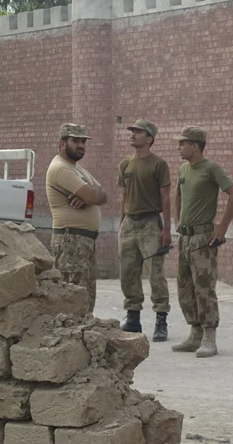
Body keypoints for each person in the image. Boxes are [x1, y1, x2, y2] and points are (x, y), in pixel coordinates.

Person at [171, 125, 233, 358]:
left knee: (204, 287)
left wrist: (222, 227)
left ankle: (209, 335)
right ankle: (195, 333)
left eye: (183, 143)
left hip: (203, 237)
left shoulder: (211, 168)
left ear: (195, 146)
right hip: (185, 237)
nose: (179, 147)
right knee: (184, 287)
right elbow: (178, 194)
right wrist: (176, 220)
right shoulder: (183, 169)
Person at [118, 119, 173, 341]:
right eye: (132, 132)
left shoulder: (158, 164)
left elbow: (166, 196)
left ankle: (161, 320)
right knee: (127, 272)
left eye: (138, 132)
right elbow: (124, 197)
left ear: (149, 138)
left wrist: (167, 228)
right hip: (130, 224)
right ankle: (133, 318)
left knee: (156, 274)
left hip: (151, 223)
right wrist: (122, 224)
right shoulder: (125, 164)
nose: (133, 135)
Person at [46, 123, 108, 314]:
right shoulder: (61, 168)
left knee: (86, 299)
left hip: (84, 243)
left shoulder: (77, 168)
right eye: (75, 141)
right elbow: (94, 195)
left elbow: (104, 195)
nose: (81, 145)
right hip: (70, 242)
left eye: (83, 141)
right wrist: (90, 196)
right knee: (73, 300)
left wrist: (90, 197)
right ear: (62, 143)